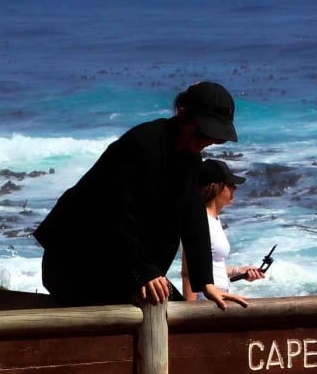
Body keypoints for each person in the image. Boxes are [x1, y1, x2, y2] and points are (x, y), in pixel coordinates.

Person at [34, 80, 249, 309]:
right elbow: (115, 213)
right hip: (75, 262)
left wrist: (206, 283)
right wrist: (145, 272)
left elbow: (193, 219)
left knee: (175, 315)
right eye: (203, 132)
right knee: (157, 314)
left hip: (120, 263)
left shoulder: (190, 159)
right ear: (182, 112)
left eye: (213, 137)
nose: (206, 141)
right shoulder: (142, 144)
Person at [181, 159, 266, 301]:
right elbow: (188, 273)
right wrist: (190, 311)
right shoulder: (202, 222)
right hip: (206, 298)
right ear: (216, 187)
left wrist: (238, 271)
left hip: (216, 294)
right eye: (231, 185)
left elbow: (211, 267)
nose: (235, 189)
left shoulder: (214, 219)